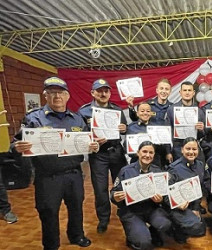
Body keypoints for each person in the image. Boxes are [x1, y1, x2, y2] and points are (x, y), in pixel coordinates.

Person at [11, 77, 98, 249]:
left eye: (60, 92)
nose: (57, 96)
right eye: (52, 93)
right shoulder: (33, 119)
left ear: (67, 96)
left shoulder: (77, 119)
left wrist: (92, 145)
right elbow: (15, 143)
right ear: (45, 96)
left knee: (76, 207)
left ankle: (76, 236)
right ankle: (51, 244)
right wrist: (17, 147)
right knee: (48, 211)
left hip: (74, 173)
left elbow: (87, 141)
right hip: (47, 177)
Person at [78, 78, 128, 233]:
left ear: (109, 93)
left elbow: (125, 130)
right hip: (98, 153)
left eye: (106, 91)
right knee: (100, 189)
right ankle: (103, 219)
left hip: (116, 151)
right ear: (93, 93)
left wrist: (123, 128)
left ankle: (126, 213)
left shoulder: (118, 110)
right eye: (99, 91)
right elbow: (80, 134)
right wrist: (91, 140)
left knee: (121, 184)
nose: (103, 93)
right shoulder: (84, 111)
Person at [110, 141, 171, 249]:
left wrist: (160, 199)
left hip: (151, 209)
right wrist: (115, 196)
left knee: (165, 224)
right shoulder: (125, 171)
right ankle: (132, 236)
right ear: (138, 153)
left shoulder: (158, 171)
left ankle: (152, 231)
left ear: (154, 155)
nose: (147, 155)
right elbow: (113, 192)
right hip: (131, 211)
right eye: (144, 151)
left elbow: (165, 195)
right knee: (144, 243)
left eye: (151, 152)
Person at [166, 137, 206, 243]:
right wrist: (177, 204)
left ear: (198, 150)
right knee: (194, 226)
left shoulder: (200, 165)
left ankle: (185, 223)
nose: (191, 152)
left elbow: (199, 189)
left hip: (192, 203)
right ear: (182, 150)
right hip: (177, 206)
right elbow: (166, 194)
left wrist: (196, 208)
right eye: (188, 149)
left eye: (194, 149)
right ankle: (174, 227)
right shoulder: (173, 168)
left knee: (201, 230)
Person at [165, 81, 205, 161]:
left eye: (189, 90)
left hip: (193, 148)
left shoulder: (199, 111)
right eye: (185, 90)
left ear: (193, 93)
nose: (187, 93)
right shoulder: (171, 109)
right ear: (180, 92)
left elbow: (202, 135)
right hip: (177, 148)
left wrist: (201, 130)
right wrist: (168, 152)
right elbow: (167, 132)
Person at [126, 102, 172, 168]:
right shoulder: (131, 127)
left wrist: (167, 152)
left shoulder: (157, 127)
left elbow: (166, 143)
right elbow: (127, 147)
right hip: (137, 162)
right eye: (142, 111)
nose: (145, 113)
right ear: (137, 113)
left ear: (151, 114)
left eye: (148, 111)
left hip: (155, 162)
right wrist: (136, 153)